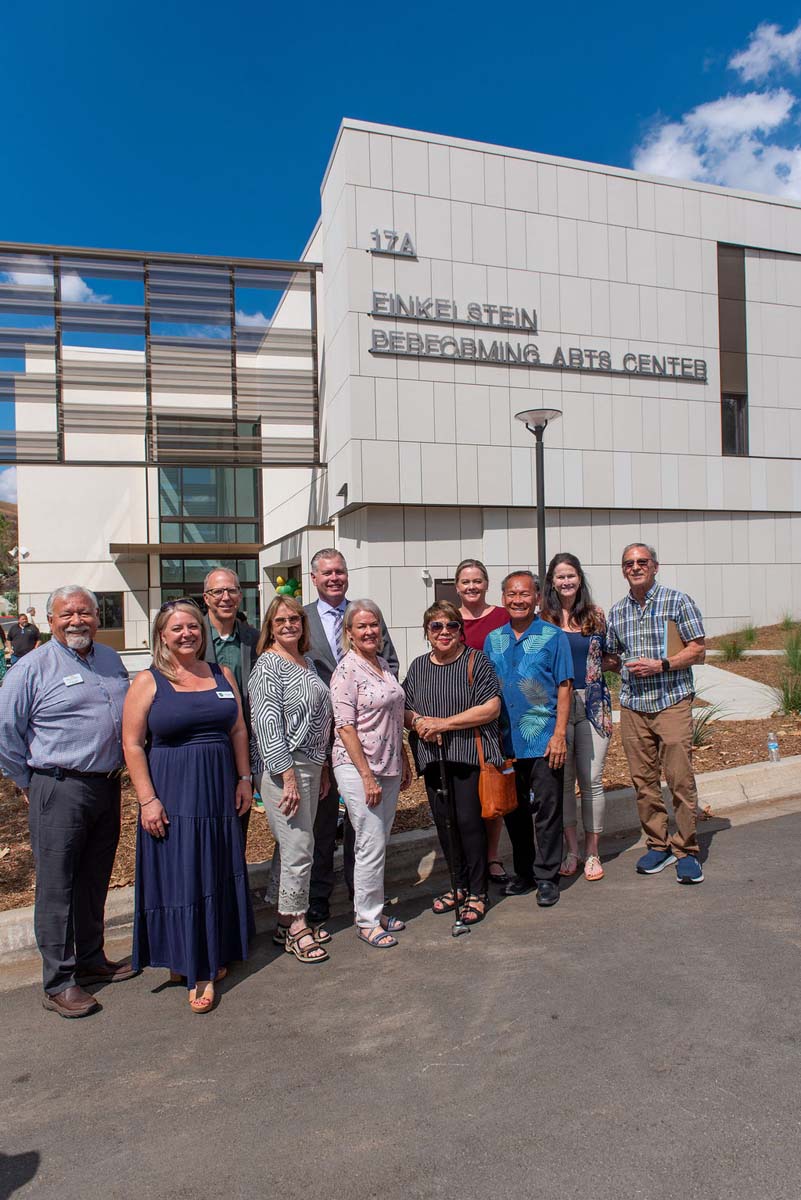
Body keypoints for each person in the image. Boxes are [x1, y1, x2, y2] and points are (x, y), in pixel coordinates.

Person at [0, 586, 133, 1018]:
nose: (77, 621)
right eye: (67, 614)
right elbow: (6, 733)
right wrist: (27, 783)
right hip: (57, 785)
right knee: (57, 885)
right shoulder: (31, 668)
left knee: (95, 877)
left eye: (85, 613)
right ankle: (58, 982)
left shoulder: (110, 659)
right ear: (51, 620)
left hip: (106, 785)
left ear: (97, 617)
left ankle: (92, 960)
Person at [123, 600, 254, 1013]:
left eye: (193, 627)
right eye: (177, 628)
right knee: (182, 873)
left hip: (218, 789)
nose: (187, 634)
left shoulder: (221, 673)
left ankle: (212, 953)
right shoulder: (149, 680)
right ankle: (194, 965)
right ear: (162, 634)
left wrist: (245, 779)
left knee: (213, 869)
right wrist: (148, 799)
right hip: (173, 791)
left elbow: (237, 728)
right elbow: (131, 744)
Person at [304, 548, 399, 926]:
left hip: (367, 730)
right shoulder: (305, 618)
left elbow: (388, 662)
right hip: (322, 734)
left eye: (339, 571)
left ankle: (359, 894)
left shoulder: (365, 614)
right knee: (323, 821)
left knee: (364, 827)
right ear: (314, 578)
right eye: (326, 572)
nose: (334, 578)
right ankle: (319, 897)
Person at [605, 543, 706, 884]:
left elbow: (698, 649)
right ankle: (658, 845)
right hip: (633, 705)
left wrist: (662, 664)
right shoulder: (617, 612)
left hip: (671, 700)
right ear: (623, 571)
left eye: (641, 561)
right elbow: (612, 655)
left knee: (679, 779)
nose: (635, 567)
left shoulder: (677, 601)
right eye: (629, 563)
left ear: (655, 566)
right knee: (644, 782)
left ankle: (687, 850)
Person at [404, 600, 503, 926]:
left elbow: (491, 708)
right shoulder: (419, 667)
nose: (444, 632)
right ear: (427, 632)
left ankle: (478, 890)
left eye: (451, 626)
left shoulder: (477, 661)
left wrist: (444, 724)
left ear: (461, 630)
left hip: (468, 757)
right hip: (434, 760)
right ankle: (458, 885)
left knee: (469, 824)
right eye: (437, 627)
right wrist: (418, 721)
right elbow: (404, 708)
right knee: (445, 825)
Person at [249, 596, 333, 964]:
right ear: (270, 625)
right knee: (300, 847)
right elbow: (267, 726)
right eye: (280, 620)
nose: (288, 625)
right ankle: (298, 925)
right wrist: (288, 776)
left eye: (295, 619)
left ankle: (284, 919)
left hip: (311, 765)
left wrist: (323, 767)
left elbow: (319, 720)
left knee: (292, 844)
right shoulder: (268, 665)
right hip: (284, 767)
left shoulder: (308, 662)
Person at [483, 571, 573, 908]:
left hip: (544, 739)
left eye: (525, 594)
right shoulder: (494, 640)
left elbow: (564, 687)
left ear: (537, 598)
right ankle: (525, 873)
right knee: (514, 811)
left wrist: (560, 735)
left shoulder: (552, 636)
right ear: (503, 598)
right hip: (506, 742)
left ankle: (547, 876)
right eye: (511, 594)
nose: (518, 600)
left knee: (547, 810)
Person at [330, 600, 411, 949]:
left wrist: (404, 758)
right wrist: (365, 777)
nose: (369, 631)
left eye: (373, 625)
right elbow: (344, 727)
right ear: (349, 633)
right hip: (358, 766)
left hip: (389, 764)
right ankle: (366, 920)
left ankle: (374, 910)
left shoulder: (381, 665)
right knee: (368, 842)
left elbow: (394, 715)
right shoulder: (346, 670)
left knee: (379, 841)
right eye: (361, 626)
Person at [540, 554, 613, 882]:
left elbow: (612, 654)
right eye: (559, 576)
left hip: (594, 704)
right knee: (564, 781)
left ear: (579, 579)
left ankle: (593, 851)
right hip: (557, 707)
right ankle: (572, 849)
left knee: (592, 779)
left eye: (571, 575)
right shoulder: (543, 619)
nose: (566, 581)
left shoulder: (595, 615)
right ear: (551, 582)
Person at [454, 558, 511, 889]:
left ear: (486, 584)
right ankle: (467, 858)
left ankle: (491, 855)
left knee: (493, 783)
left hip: (496, 710)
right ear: (457, 586)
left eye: (477, 581)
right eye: (465, 581)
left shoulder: (501, 617)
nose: (471, 586)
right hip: (460, 712)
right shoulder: (449, 620)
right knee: (465, 790)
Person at [202, 567, 260, 828]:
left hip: (243, 744)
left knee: (238, 823)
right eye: (217, 591)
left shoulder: (255, 639)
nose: (225, 597)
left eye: (232, 590)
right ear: (206, 598)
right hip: (203, 745)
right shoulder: (191, 636)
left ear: (239, 595)